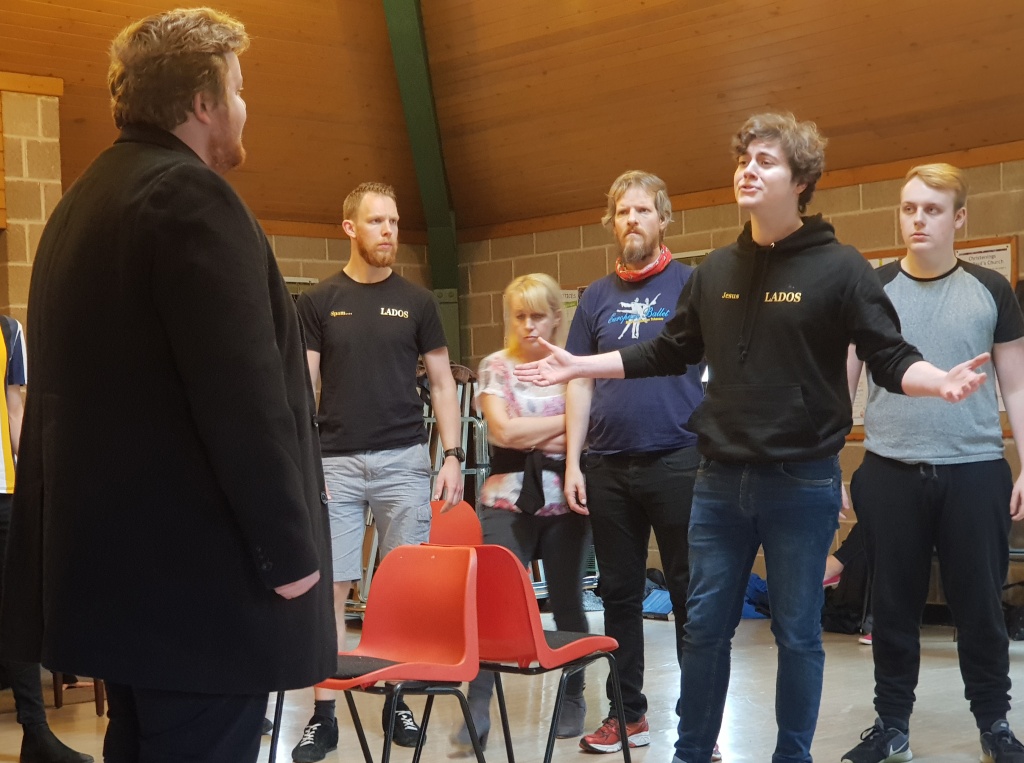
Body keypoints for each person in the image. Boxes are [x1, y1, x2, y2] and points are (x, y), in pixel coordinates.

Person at [515, 112, 990, 763]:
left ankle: (791, 755)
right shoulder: (715, 270)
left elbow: (888, 354)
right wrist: (581, 365)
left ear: (800, 180)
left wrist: (939, 381)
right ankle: (690, 752)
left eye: (765, 161)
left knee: (796, 634)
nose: (748, 170)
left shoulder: (841, 268)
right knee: (706, 629)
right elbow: (667, 350)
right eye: (743, 159)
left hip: (801, 483)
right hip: (717, 484)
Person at [0, 9, 335, 763]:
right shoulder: (190, 197)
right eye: (238, 89)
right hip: (202, 592)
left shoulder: (81, 205)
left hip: (121, 585)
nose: (245, 106)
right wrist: (289, 553)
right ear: (203, 102)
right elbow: (241, 397)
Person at [841, 163, 1024, 763]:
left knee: (980, 608)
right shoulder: (872, 291)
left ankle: (995, 724)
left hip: (975, 470)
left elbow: (1016, 385)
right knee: (892, 608)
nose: (917, 219)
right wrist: (827, 465)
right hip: (890, 471)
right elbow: (843, 384)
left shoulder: (990, 290)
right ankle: (891, 725)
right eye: (909, 208)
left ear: (959, 218)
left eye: (932, 209)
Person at [292, 181, 465, 761]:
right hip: (334, 464)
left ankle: (397, 699)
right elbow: (304, 389)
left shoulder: (418, 302)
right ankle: (324, 714)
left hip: (404, 462)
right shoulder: (318, 302)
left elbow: (442, 383)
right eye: (376, 221)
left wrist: (452, 455)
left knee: (400, 590)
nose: (389, 231)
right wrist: (304, 461)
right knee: (332, 590)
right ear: (350, 228)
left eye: (393, 221)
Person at [560, 171, 706, 755]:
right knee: (618, 595)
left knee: (690, 593)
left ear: (663, 219)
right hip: (607, 467)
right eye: (623, 212)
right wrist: (573, 462)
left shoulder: (691, 285)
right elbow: (577, 380)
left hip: (679, 459)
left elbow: (721, 365)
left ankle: (699, 725)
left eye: (643, 210)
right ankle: (627, 715)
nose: (632, 220)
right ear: (612, 222)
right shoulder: (594, 297)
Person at [448, 272, 591, 753]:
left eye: (538, 316)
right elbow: (504, 433)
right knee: (494, 602)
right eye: (520, 316)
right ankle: (478, 706)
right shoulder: (495, 366)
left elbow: (588, 433)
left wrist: (543, 428)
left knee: (569, 601)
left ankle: (573, 696)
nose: (529, 325)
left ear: (556, 318)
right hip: (505, 500)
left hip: (567, 501)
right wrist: (569, 421)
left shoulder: (574, 368)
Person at [0, 316, 92, 763]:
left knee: (15, 605)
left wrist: (38, 476)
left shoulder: (7, 331)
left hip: (4, 492)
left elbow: (15, 409)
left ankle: (34, 732)